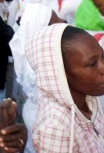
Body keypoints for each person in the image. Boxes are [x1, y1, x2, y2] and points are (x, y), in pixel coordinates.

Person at [25, 24, 104, 152]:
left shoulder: (88, 99)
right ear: (60, 74)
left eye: (103, 56)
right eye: (92, 64)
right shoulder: (55, 128)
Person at [9, 3, 64, 152]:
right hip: (46, 119)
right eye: (55, 20)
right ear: (41, 29)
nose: (62, 21)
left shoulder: (37, 53)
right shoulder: (42, 63)